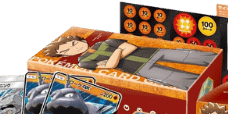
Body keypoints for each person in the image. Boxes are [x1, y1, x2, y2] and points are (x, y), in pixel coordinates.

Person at [44, 35, 218, 91]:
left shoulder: (102, 43)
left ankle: (219, 65)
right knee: (181, 80)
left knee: (191, 56)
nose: (74, 48)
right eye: (67, 51)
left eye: (73, 44)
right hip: (141, 69)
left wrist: (116, 54)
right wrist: (118, 51)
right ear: (63, 55)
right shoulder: (83, 62)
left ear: (80, 39)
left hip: (153, 52)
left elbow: (131, 47)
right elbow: (111, 66)